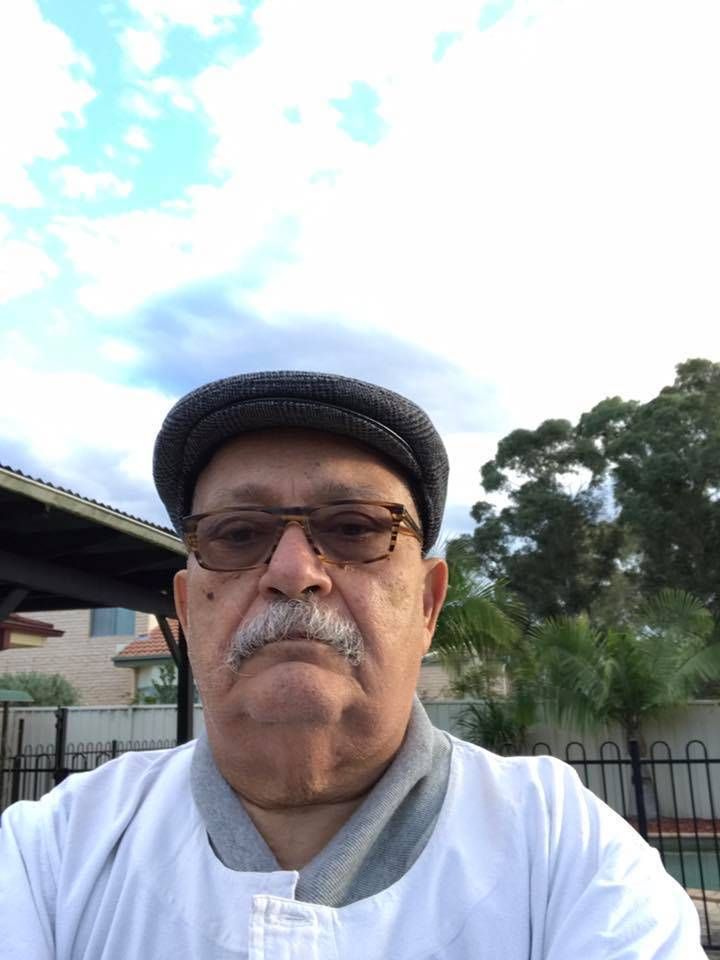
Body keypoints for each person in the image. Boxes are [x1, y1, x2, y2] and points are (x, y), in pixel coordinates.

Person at [0, 371, 704, 959]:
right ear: (187, 608)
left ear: (427, 606)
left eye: (356, 527)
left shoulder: (569, 856)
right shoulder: (48, 857)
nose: (292, 572)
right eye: (237, 535)